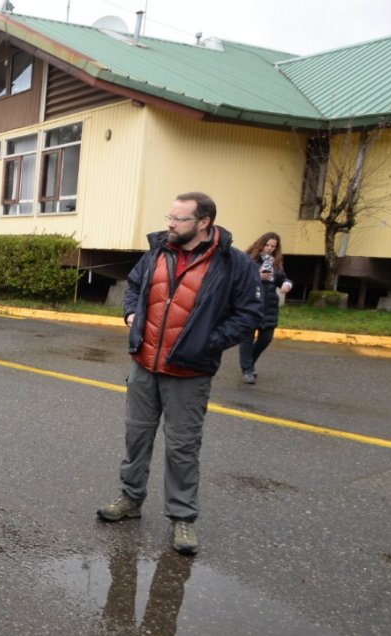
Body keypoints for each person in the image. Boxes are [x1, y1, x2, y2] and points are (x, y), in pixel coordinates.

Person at [97, 192, 261, 556]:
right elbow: (136, 286)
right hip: (144, 364)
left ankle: (182, 518)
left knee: (182, 448)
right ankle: (130, 500)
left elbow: (249, 315)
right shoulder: (157, 250)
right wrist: (130, 316)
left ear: (203, 223)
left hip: (189, 372)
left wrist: (207, 341)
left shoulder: (232, 263)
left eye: (179, 218)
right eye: (169, 216)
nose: (170, 223)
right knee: (136, 439)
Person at [239, 232, 293, 384]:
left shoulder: (276, 263)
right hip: (250, 303)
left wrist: (286, 284)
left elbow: (283, 278)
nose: (269, 249)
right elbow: (239, 278)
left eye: (273, 247)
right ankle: (247, 370)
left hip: (269, 305)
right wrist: (257, 276)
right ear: (260, 244)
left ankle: (250, 363)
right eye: (267, 245)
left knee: (266, 339)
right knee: (247, 339)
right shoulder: (248, 258)